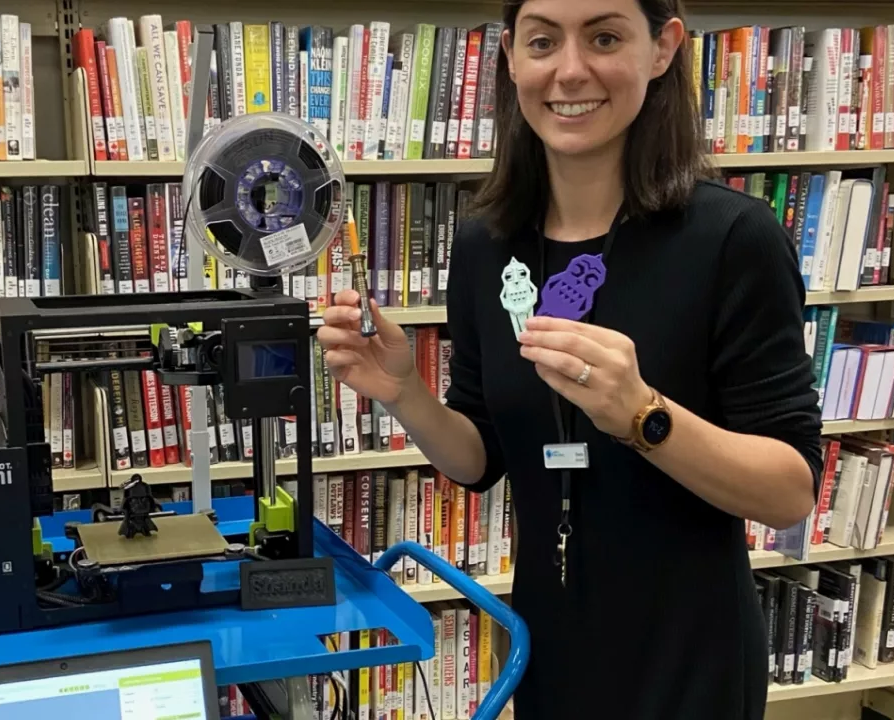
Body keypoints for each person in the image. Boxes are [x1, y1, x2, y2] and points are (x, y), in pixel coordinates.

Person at [316, 0, 823, 717]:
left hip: (689, 658)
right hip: (546, 644)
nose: (570, 70)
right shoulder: (485, 244)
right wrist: (404, 393)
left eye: (606, 36)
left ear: (663, 47)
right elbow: (479, 457)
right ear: (510, 57)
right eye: (543, 41)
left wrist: (643, 416)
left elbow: (789, 490)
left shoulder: (734, 239)